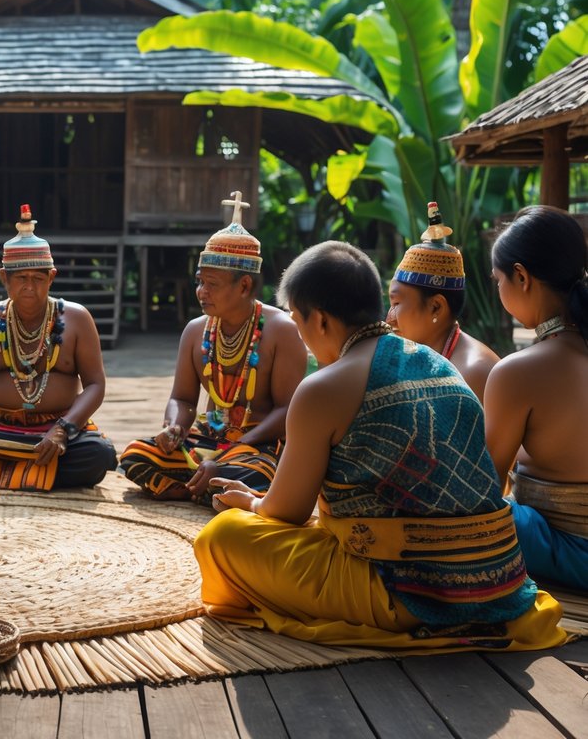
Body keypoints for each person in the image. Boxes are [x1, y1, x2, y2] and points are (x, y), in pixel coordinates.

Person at [194, 240, 565, 651]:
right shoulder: (440, 364)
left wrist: (252, 503)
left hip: (413, 594)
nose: (301, 337)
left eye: (298, 321)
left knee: (222, 536)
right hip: (498, 583)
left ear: (320, 320)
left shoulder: (321, 389)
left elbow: (287, 512)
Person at [119, 193, 304, 500]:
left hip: (258, 446)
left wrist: (235, 449)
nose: (201, 292)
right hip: (208, 439)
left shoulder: (281, 330)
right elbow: (182, 398)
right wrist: (174, 428)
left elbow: (288, 411)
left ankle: (206, 485)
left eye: (212, 284)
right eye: (199, 282)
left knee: (255, 474)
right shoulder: (196, 330)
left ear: (244, 286)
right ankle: (208, 488)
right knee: (136, 455)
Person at [0, 205, 117, 490]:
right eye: (21, 278)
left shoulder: (77, 319)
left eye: (38, 278)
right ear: (4, 278)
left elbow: (95, 385)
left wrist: (63, 429)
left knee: (98, 455)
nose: (29, 287)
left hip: (59, 430)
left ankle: (3, 468)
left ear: (51, 277)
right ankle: (39, 470)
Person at [485, 206, 588, 589]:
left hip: (570, 554)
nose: (499, 289)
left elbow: (485, 492)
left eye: (498, 280)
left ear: (522, 277)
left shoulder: (518, 372)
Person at [387, 201, 499, 400]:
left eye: (396, 304)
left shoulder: (473, 372)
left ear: (436, 307)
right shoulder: (421, 355)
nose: (389, 319)